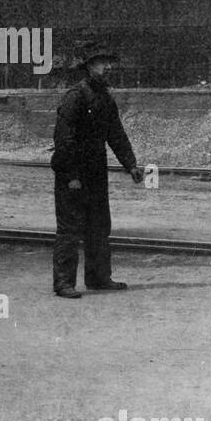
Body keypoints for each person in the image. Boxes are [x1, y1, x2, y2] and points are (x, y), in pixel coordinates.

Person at [51, 41, 144, 298]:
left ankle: (99, 278)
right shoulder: (75, 97)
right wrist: (70, 176)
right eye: (102, 62)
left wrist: (131, 164)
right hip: (73, 174)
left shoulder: (105, 98)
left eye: (109, 62)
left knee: (99, 226)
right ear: (89, 66)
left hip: (95, 174)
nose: (107, 67)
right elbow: (63, 140)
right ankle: (63, 283)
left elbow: (116, 134)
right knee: (70, 229)